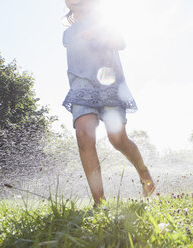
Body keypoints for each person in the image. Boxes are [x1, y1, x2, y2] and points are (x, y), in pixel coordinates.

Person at [62, 0, 155, 205]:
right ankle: (100, 203)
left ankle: (143, 171)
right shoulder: (68, 34)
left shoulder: (103, 20)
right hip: (81, 88)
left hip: (109, 84)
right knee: (83, 134)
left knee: (117, 139)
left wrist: (98, 35)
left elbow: (121, 42)